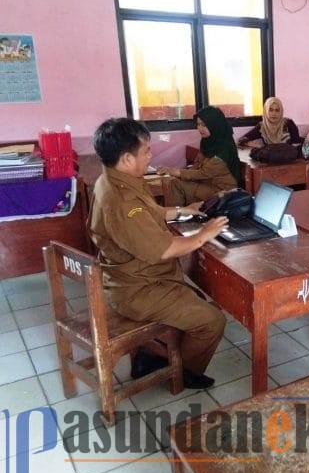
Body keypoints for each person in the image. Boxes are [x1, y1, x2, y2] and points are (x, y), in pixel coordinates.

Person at [88, 117, 229, 389]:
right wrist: (204, 234)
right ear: (127, 158)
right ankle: (179, 371)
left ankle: (148, 357)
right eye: (146, 151)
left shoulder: (112, 182)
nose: (151, 155)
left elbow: (149, 213)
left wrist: (181, 211)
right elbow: (165, 248)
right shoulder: (123, 202)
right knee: (212, 320)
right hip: (138, 288)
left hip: (127, 278)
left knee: (199, 300)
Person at [157, 106, 241, 205]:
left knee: (177, 185)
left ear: (215, 125)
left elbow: (204, 173)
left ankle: (178, 216)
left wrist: (176, 172)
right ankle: (177, 215)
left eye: (204, 125)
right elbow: (197, 165)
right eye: (198, 124)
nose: (199, 129)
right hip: (206, 184)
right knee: (172, 181)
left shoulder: (224, 147)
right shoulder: (207, 142)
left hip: (221, 191)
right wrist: (173, 173)